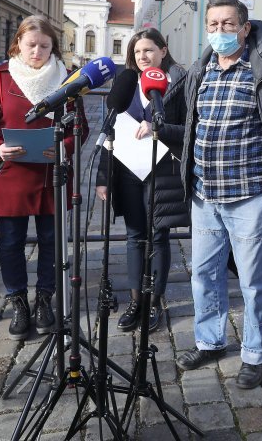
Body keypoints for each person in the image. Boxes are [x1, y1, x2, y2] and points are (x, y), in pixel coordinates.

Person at [175, 0, 262, 389]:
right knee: (204, 275)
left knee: (253, 280)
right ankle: (210, 341)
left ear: (245, 28)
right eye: (213, 24)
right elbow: (190, 124)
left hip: (250, 194)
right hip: (204, 195)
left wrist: (261, 165)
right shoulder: (201, 70)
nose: (219, 32)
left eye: (228, 24)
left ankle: (255, 351)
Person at [0, 15, 85, 340]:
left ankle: (44, 300)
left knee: (51, 242)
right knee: (11, 242)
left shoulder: (67, 81)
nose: (37, 51)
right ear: (18, 45)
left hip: (52, 173)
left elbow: (79, 127)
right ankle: (18, 300)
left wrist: (63, 147)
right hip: (12, 174)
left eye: (44, 45)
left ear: (53, 48)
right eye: (31, 44)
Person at [95, 28, 188, 333]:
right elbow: (112, 132)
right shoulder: (125, 85)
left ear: (163, 50)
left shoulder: (180, 84)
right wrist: (103, 177)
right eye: (137, 52)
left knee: (158, 236)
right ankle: (136, 301)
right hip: (127, 172)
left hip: (163, 172)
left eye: (149, 50)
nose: (143, 57)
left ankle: (154, 301)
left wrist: (159, 126)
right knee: (135, 237)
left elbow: (189, 128)